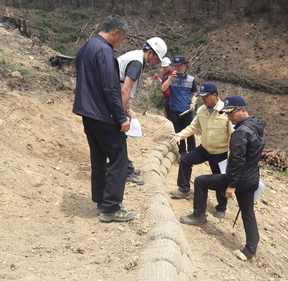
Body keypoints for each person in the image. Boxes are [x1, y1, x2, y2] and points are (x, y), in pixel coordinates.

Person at [179, 96, 266, 260]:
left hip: (239, 179)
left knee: (200, 181)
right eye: (226, 114)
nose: (229, 117)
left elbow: (237, 161)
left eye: (231, 114)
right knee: (248, 212)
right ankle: (250, 249)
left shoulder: (240, 133)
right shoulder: (256, 126)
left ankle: (199, 216)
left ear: (243, 110)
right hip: (252, 178)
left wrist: (232, 185)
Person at [73, 15, 134, 222]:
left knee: (98, 156)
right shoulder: (104, 50)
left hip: (87, 112)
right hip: (103, 113)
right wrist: (121, 117)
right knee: (119, 158)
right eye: (122, 39)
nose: (120, 43)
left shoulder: (87, 47)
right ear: (115, 33)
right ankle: (110, 208)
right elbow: (110, 87)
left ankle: (101, 199)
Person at [169, 82, 234, 219]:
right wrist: (180, 135)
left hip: (220, 153)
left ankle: (221, 207)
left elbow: (233, 133)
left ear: (214, 95)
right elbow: (193, 127)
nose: (203, 99)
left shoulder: (225, 111)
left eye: (206, 96)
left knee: (220, 181)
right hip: (204, 149)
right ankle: (184, 189)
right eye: (202, 96)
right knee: (185, 160)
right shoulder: (202, 110)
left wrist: (232, 152)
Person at [117, 37, 168, 185]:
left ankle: (126, 168)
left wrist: (127, 109)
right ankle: (125, 171)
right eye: (156, 60)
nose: (155, 64)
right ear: (151, 53)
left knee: (120, 139)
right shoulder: (136, 62)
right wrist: (122, 115)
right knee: (119, 139)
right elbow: (125, 90)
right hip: (114, 105)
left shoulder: (133, 56)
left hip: (115, 104)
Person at [162, 55, 198, 158]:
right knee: (178, 133)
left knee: (189, 132)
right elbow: (164, 88)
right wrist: (170, 79)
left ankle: (192, 153)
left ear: (184, 66)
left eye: (180, 66)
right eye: (176, 66)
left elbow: (195, 93)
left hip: (187, 110)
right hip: (174, 110)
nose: (178, 68)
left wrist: (193, 103)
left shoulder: (191, 79)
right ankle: (182, 153)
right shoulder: (171, 78)